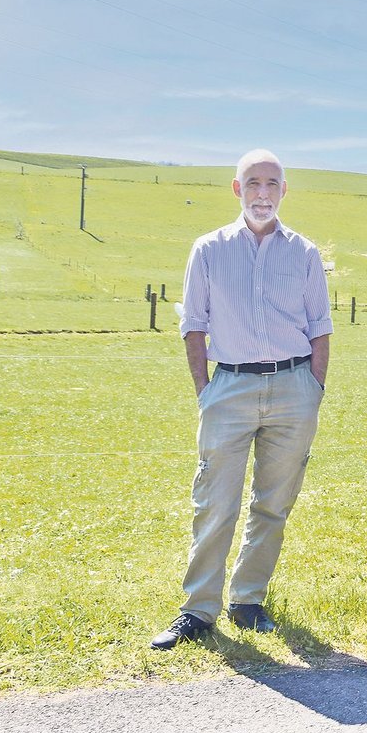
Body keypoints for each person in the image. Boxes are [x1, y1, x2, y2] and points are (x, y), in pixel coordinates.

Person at [152, 149, 332, 650]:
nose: (263, 193)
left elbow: (320, 327)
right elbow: (193, 325)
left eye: (272, 184)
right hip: (227, 386)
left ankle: (248, 600)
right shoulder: (208, 250)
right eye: (253, 183)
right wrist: (204, 389)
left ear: (283, 191)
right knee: (215, 502)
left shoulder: (304, 253)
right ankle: (198, 609)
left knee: (274, 503)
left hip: (293, 388)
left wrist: (313, 387)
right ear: (237, 189)